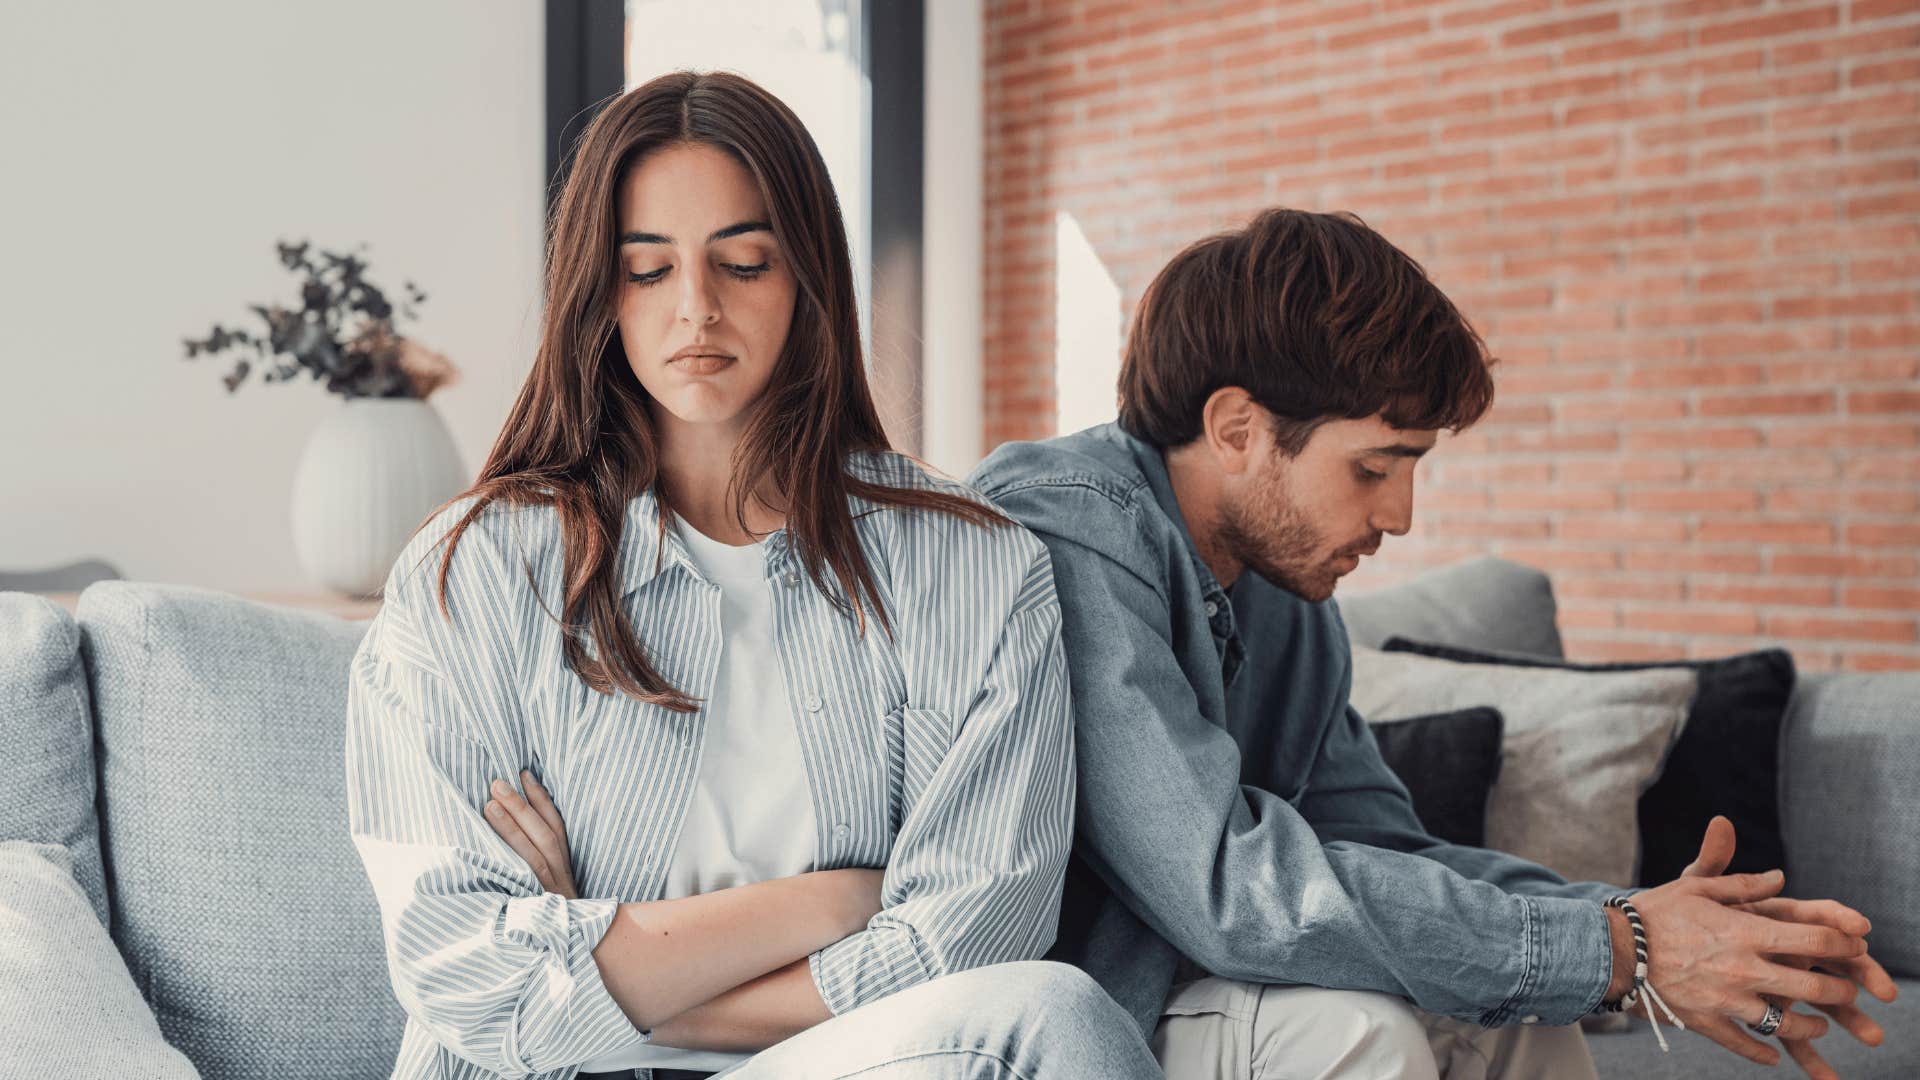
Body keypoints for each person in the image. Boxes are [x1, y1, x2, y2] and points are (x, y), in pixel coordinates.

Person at [344, 71, 1162, 1080]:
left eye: (742, 261)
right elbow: (469, 981)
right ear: (595, 293)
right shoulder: (469, 573)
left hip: (851, 1066)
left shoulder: (980, 569)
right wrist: (838, 901)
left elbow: (970, 943)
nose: (697, 308)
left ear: (806, 276)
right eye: (647, 271)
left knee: (1050, 1014)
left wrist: (597, 950)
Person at [967, 207, 1899, 1080]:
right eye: (1373, 468)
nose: (1401, 518)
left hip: (1203, 981)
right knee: (1363, 1029)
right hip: (1077, 1017)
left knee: (1529, 1009)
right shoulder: (1073, 531)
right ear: (1237, 429)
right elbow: (1225, 886)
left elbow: (1386, 847)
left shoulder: (1289, 601)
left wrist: (1646, 923)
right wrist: (1621, 950)